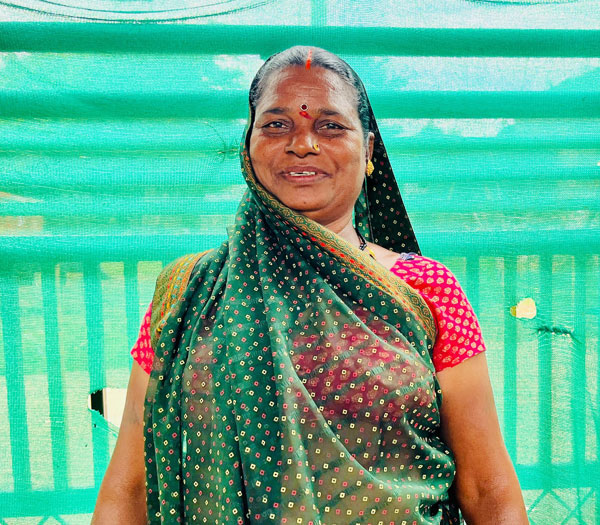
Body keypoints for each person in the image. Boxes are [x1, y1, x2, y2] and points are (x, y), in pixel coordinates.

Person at [92, 46, 526, 524]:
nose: (302, 144)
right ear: (248, 144)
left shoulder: (424, 288)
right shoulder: (187, 290)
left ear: (369, 151)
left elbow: (487, 487)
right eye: (277, 124)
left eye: (330, 126)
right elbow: (131, 485)